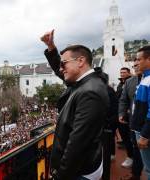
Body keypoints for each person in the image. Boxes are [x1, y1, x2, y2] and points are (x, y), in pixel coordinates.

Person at [41, 30, 109, 180]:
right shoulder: (87, 81)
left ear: (80, 61)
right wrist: (51, 47)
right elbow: (62, 72)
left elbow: (77, 144)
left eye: (64, 63)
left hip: (79, 171)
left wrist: (61, 176)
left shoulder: (89, 92)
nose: (60, 68)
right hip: (85, 164)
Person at [119, 60, 143, 180]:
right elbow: (123, 100)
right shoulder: (129, 82)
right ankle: (136, 174)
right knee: (136, 148)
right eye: (134, 66)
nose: (136, 67)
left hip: (147, 123)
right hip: (134, 123)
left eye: (138, 64)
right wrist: (122, 113)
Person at [132, 45, 150, 180]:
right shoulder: (144, 78)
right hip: (141, 129)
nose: (135, 63)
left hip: (145, 132)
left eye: (138, 59)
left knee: (148, 168)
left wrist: (144, 134)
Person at [117, 67, 134, 168]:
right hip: (121, 114)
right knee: (125, 137)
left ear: (129, 73)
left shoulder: (132, 82)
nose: (122, 74)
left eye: (124, 72)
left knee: (131, 138)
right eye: (121, 72)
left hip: (130, 114)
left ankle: (132, 158)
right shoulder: (120, 84)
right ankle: (130, 156)